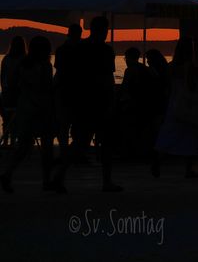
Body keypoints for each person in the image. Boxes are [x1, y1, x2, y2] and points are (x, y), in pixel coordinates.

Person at [1, 36, 65, 194]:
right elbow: (47, 88)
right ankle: (46, 180)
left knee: (24, 146)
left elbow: (16, 86)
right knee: (47, 147)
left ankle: (8, 173)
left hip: (25, 108)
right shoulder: (45, 66)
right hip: (42, 109)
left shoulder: (23, 65)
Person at [71, 16, 122, 191]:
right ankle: (106, 181)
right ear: (103, 31)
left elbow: (75, 75)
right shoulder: (106, 51)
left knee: (81, 142)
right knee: (105, 143)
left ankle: (59, 175)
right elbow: (109, 78)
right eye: (106, 30)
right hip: (99, 101)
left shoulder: (80, 48)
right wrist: (112, 100)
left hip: (83, 100)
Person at [152, 37, 198, 178]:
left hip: (173, 104)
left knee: (169, 133)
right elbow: (192, 87)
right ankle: (188, 169)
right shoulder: (192, 68)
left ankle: (158, 159)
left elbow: (167, 87)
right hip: (188, 104)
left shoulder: (171, 66)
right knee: (190, 136)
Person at [118, 47, 156, 159]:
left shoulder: (130, 70)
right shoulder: (146, 69)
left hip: (133, 105)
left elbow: (124, 88)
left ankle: (128, 151)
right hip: (146, 105)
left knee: (127, 127)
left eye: (126, 58)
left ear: (129, 58)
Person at [53, 24, 82, 159]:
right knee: (73, 124)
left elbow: (58, 71)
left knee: (66, 124)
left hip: (66, 90)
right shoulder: (83, 49)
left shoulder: (62, 50)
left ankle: (66, 150)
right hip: (73, 90)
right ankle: (71, 151)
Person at [1, 35, 26, 148]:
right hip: (19, 93)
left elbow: (2, 78)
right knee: (17, 119)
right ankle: (13, 141)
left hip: (8, 93)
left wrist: (5, 90)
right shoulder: (25, 60)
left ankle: (6, 141)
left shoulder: (6, 59)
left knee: (6, 119)